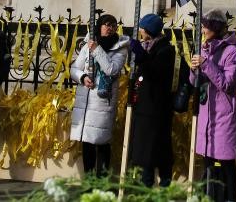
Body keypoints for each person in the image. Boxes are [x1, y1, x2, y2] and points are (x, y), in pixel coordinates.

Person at [190, 8, 236, 202]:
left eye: (205, 26)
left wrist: (206, 64)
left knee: (227, 164)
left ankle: (229, 198)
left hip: (224, 116)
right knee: (208, 163)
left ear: (215, 27)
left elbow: (227, 84)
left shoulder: (232, 52)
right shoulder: (204, 49)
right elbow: (195, 82)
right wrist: (194, 70)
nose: (202, 30)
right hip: (207, 115)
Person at [70, 12, 130, 177]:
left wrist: (97, 50)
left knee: (102, 142)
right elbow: (74, 68)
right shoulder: (88, 45)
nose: (110, 28)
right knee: (87, 143)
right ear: (99, 27)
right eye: (107, 24)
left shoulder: (120, 48)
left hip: (102, 103)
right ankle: (89, 180)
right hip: (86, 102)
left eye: (113, 25)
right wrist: (82, 77)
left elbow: (111, 69)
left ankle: (101, 181)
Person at [128, 13, 177, 187]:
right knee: (144, 154)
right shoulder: (148, 46)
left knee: (156, 152)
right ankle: (146, 186)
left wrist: (141, 56)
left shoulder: (165, 50)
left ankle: (163, 186)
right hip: (144, 107)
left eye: (142, 29)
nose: (140, 32)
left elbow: (154, 73)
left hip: (156, 109)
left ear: (149, 30)